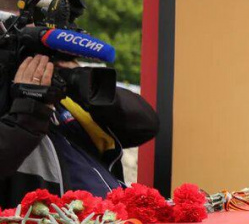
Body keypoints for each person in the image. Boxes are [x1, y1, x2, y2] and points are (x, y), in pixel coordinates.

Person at [1, 53, 159, 208]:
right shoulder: (16, 105)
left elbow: (145, 126)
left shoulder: (66, 96)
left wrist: (84, 84)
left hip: (115, 221)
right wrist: (30, 110)